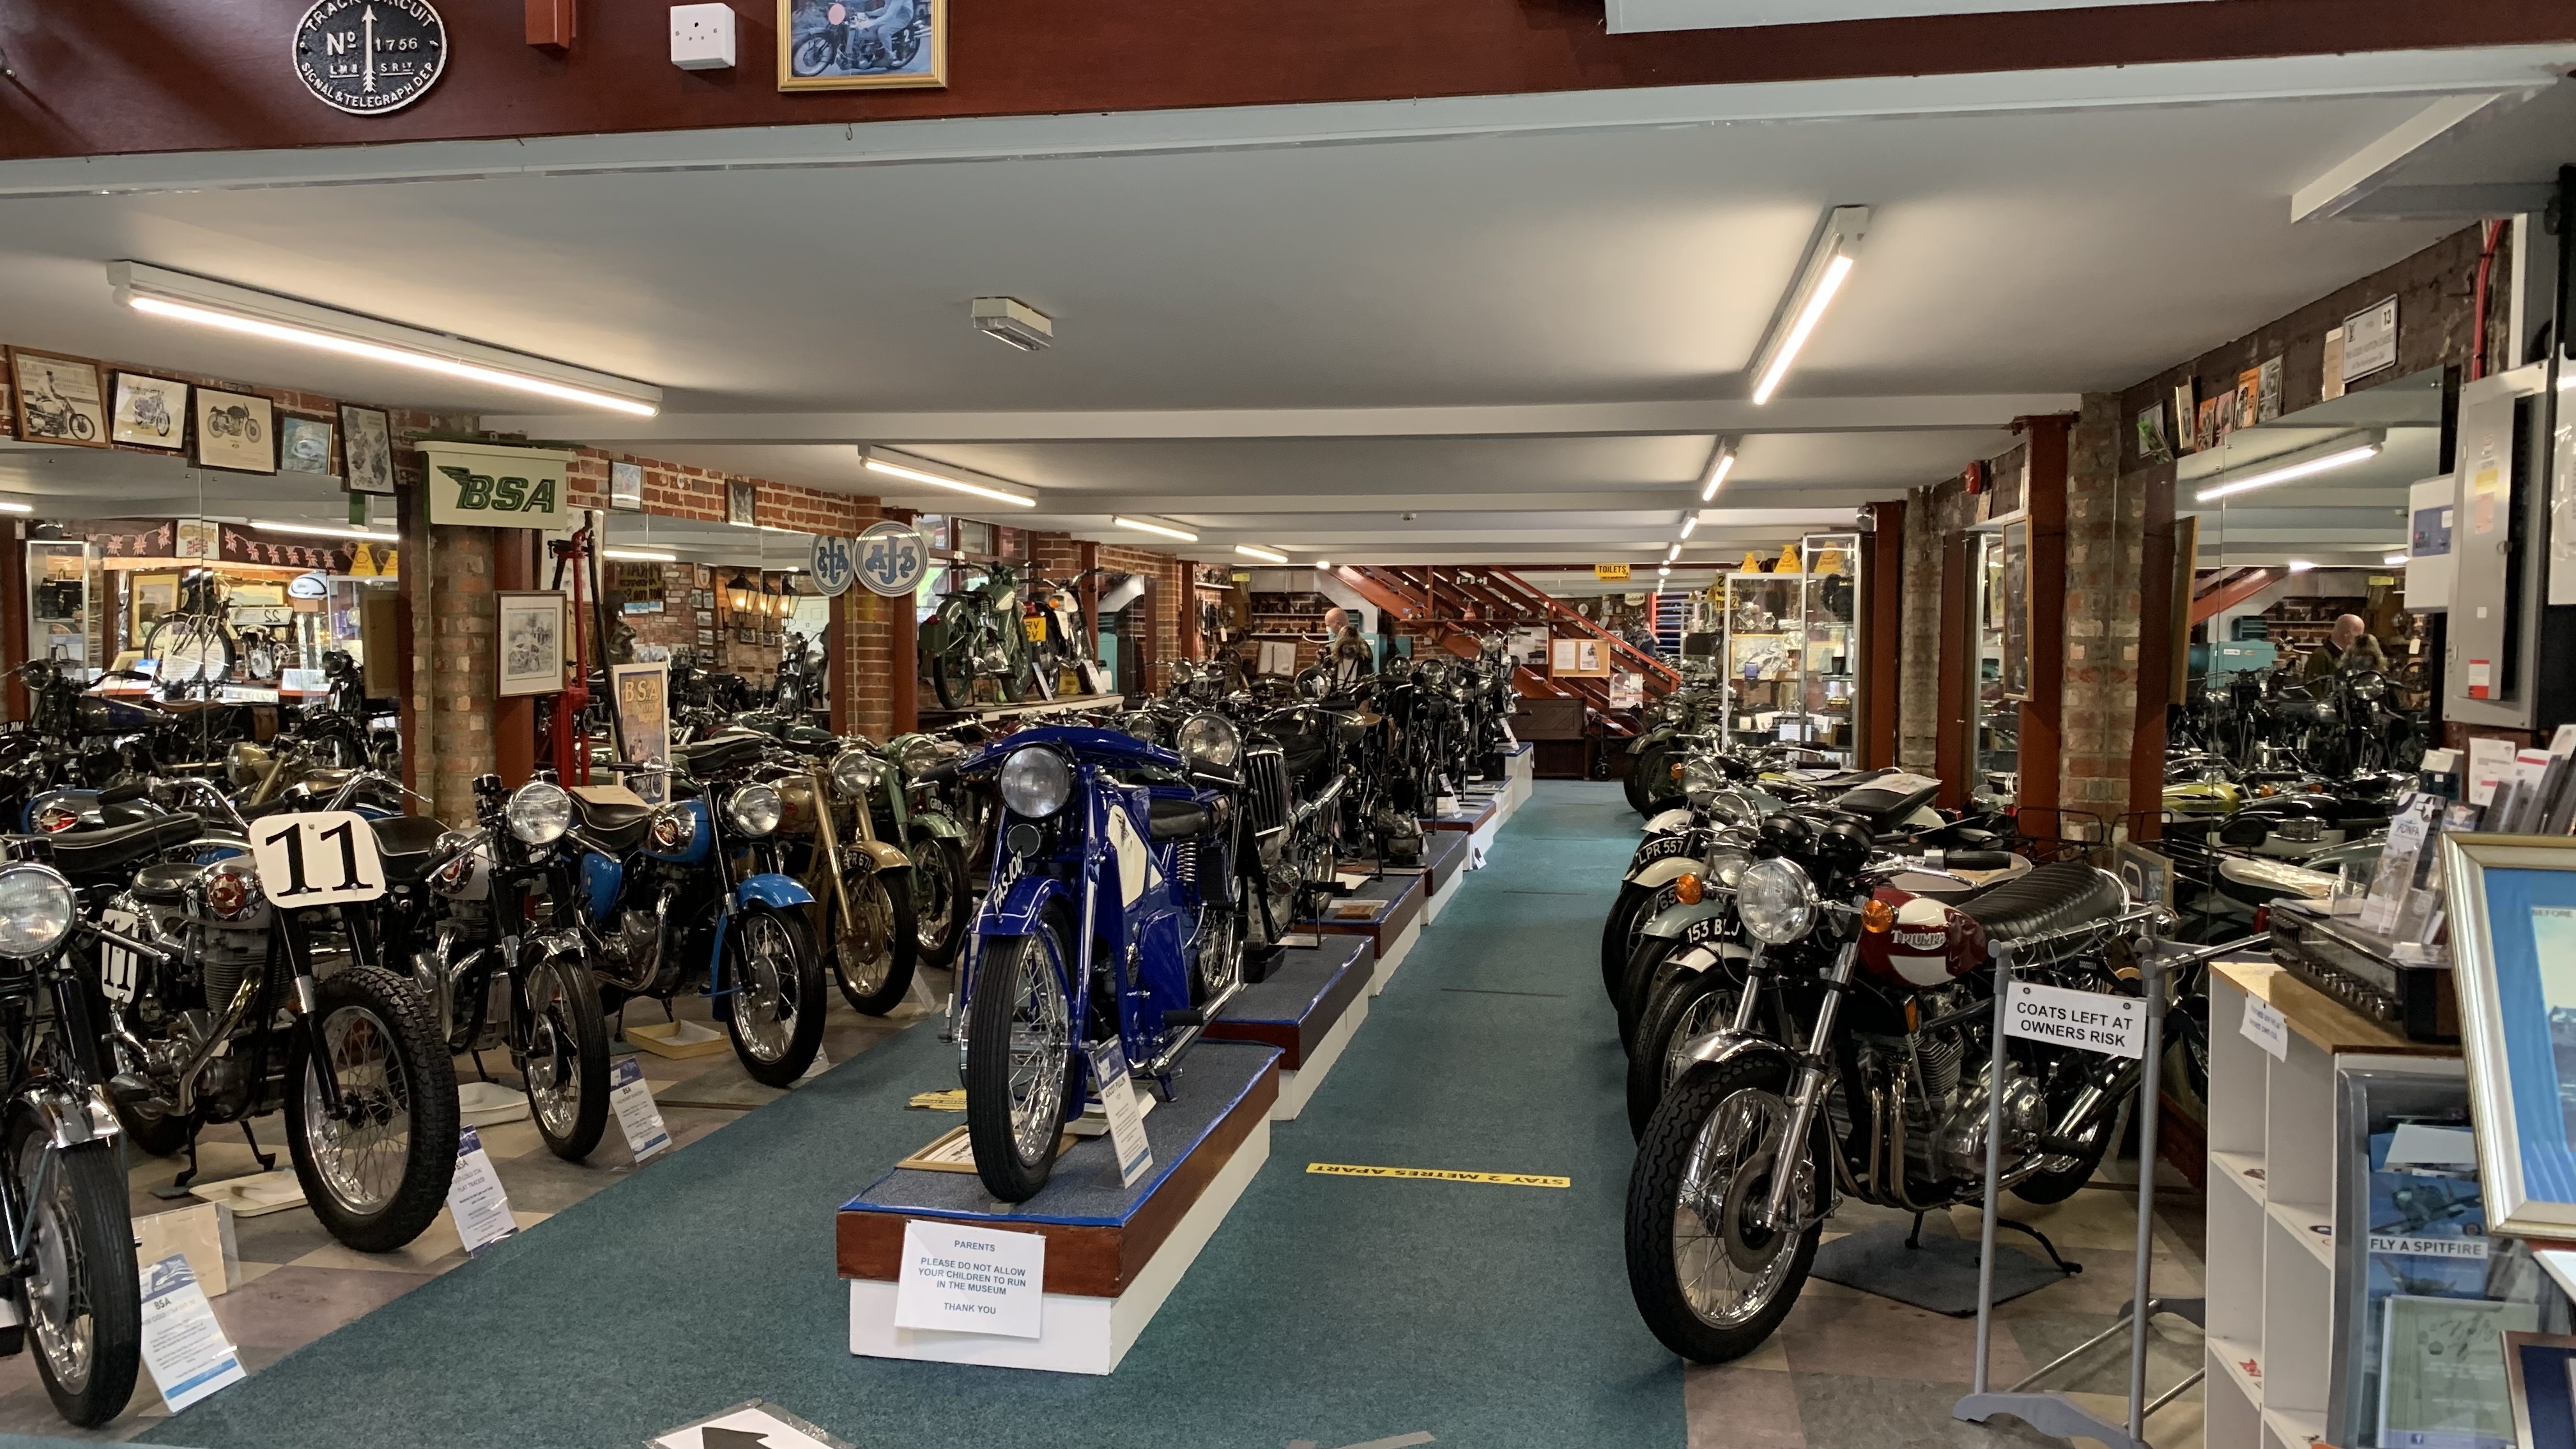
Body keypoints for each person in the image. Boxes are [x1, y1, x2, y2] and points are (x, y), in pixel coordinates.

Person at [2302, 613, 2388, 680]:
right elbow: (2314, 691)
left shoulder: (2346, 656)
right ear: (2347, 634)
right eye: (2358, 636)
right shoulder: (2321, 656)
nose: (2360, 640)